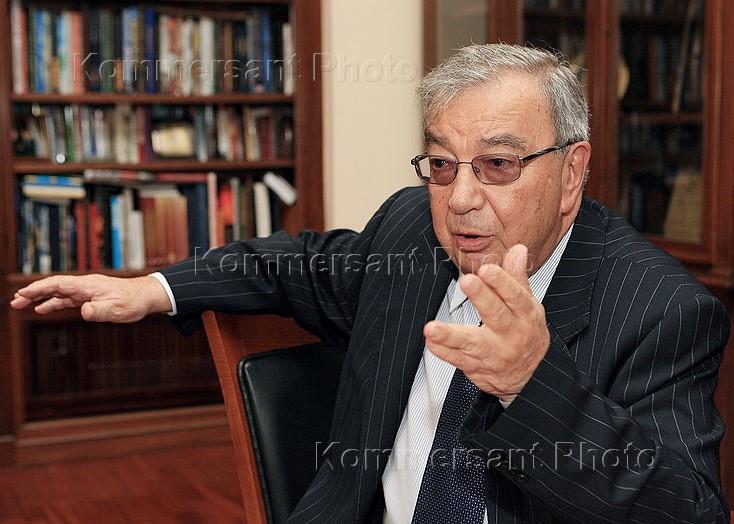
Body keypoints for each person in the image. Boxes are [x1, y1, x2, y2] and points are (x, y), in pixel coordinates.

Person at [10, 44, 730, 523]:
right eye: (442, 165)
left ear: (572, 173)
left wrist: (532, 385)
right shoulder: (410, 233)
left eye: (499, 165)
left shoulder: (660, 310)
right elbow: (293, 264)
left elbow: (684, 510)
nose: (461, 199)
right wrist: (154, 287)